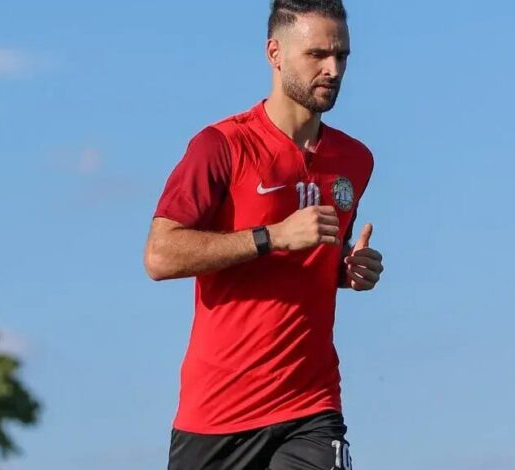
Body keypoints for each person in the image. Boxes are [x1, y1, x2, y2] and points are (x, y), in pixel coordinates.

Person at [145, 1, 384, 468]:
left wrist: (348, 270)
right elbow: (160, 255)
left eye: (341, 56)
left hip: (311, 406)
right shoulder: (221, 145)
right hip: (217, 414)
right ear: (274, 53)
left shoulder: (356, 160)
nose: (333, 69)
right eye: (317, 54)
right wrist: (270, 237)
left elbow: (317, 257)